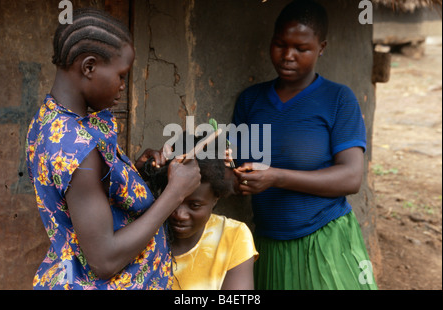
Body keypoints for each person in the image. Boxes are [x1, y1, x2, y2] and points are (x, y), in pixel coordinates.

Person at [26, 8, 201, 290]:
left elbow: (83, 193)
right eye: (121, 75)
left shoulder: (50, 119)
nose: (122, 86)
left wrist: (130, 172)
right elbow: (104, 261)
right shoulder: (77, 147)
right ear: (89, 67)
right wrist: (174, 194)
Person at [231, 0, 378, 290]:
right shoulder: (252, 101)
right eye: (280, 44)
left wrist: (276, 177)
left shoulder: (338, 100)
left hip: (325, 241)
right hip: (270, 244)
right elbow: (236, 167)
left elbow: (351, 177)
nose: (288, 56)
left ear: (321, 47)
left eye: (301, 49)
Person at [141, 132, 258, 290]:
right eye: (174, 200)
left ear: (216, 197)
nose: (180, 215)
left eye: (194, 205)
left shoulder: (233, 237)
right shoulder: (142, 236)